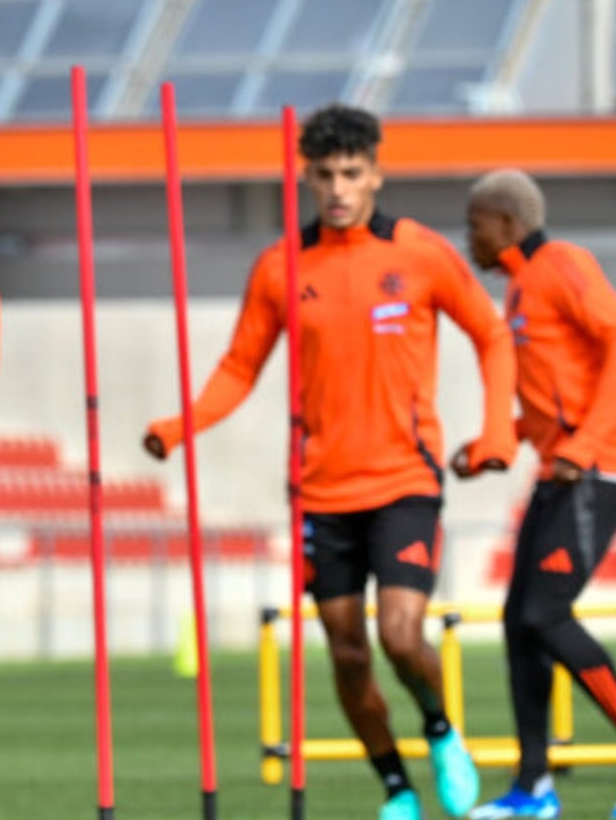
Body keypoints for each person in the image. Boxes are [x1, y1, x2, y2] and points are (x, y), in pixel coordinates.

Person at [142, 105, 515, 820]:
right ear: (306, 178)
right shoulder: (282, 267)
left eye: (352, 173)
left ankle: (440, 731)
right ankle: (396, 787)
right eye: (325, 176)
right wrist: (179, 426)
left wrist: (496, 430)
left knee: (401, 635)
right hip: (321, 492)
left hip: (405, 480)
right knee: (348, 655)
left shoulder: (422, 254)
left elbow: (493, 337)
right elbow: (238, 367)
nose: (339, 188)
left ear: (375, 172)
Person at [460, 170, 616, 820]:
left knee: (546, 614)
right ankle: (533, 789)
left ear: (506, 223)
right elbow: (558, 400)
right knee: (520, 623)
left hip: (601, 467)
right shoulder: (519, 290)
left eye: (476, 225)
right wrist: (496, 443)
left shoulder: (562, 262)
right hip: (563, 469)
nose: (471, 239)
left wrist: (580, 446)